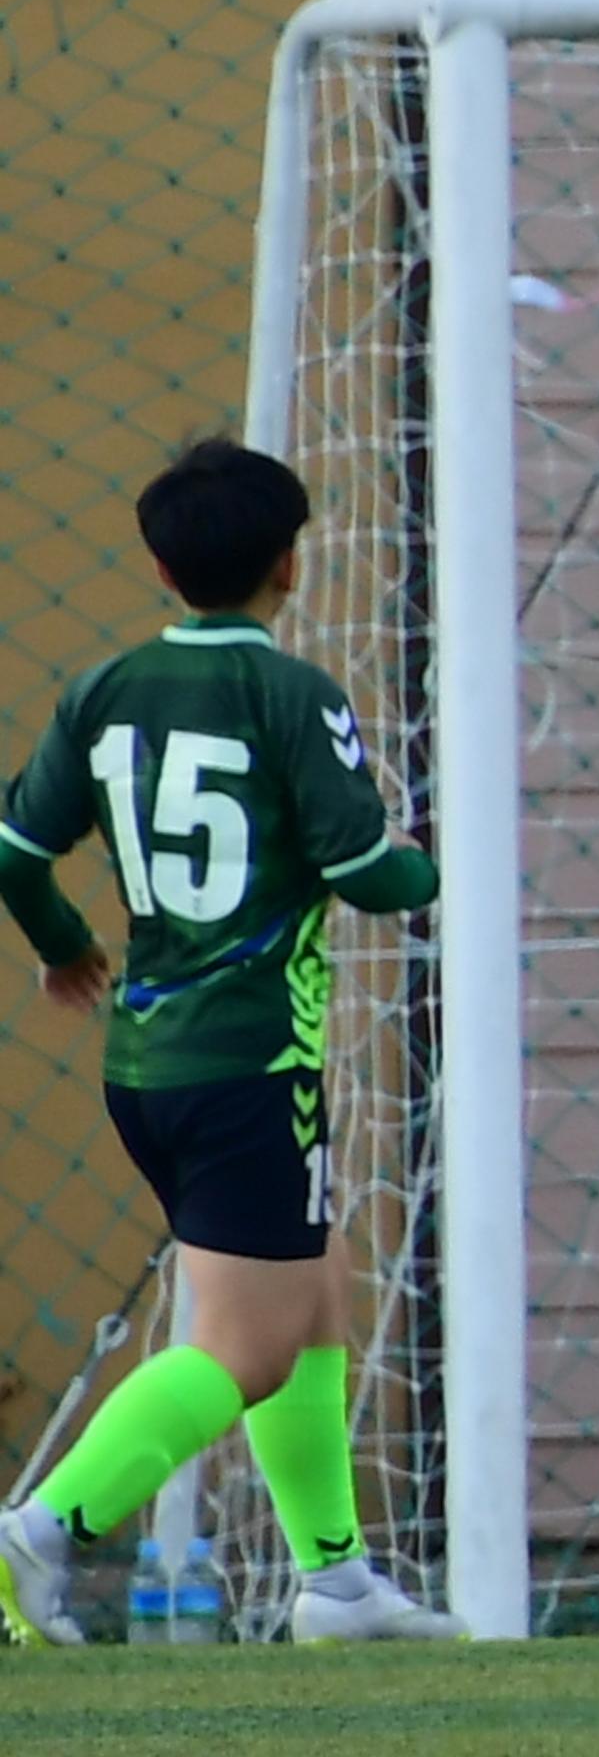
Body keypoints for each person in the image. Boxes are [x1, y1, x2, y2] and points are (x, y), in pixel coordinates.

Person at [0, 439, 457, 1646]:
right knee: (248, 1349)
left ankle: (339, 1585)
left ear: (159, 565)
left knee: (314, 1298)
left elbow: (13, 850)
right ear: (292, 564)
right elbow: (368, 872)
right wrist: (435, 862)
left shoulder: (103, 689)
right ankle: (38, 1530)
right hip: (250, 1064)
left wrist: (60, 945)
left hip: (149, 1061)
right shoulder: (291, 693)